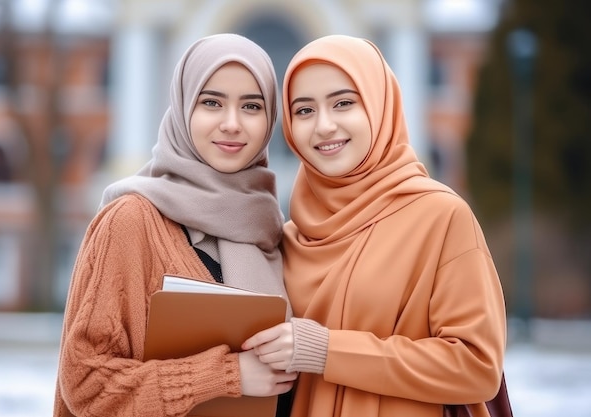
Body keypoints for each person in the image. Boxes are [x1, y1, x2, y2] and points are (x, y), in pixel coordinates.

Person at [242, 34, 507, 417]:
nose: (324, 126)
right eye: (304, 110)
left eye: (344, 103)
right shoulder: (288, 237)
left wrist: (325, 350)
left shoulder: (439, 217)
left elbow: (477, 367)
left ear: (380, 106)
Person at [53, 33, 297, 417]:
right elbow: (86, 385)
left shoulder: (271, 230)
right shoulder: (131, 220)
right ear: (183, 108)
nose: (232, 124)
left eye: (251, 106)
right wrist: (226, 375)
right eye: (211, 102)